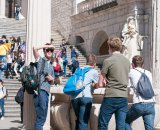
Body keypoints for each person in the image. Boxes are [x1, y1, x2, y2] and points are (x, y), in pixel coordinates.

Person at [98, 37, 130, 130]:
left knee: (103, 124)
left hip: (111, 96)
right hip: (123, 96)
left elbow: (100, 83)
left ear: (110, 47)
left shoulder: (108, 60)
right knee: (121, 126)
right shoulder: (127, 61)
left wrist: (104, 81)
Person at [125, 55, 156, 130]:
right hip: (151, 103)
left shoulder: (131, 72)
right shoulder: (148, 73)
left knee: (124, 121)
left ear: (132, 64)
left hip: (139, 103)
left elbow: (127, 85)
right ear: (143, 64)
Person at [71, 54, 99, 130]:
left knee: (79, 121)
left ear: (86, 61)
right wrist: (92, 85)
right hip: (85, 97)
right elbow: (97, 86)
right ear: (94, 64)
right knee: (83, 122)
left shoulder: (78, 69)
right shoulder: (94, 71)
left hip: (74, 97)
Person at [33, 43, 55, 130]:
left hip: (46, 92)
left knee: (43, 116)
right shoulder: (40, 60)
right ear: (44, 51)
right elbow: (34, 48)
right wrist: (45, 46)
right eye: (48, 50)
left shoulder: (51, 65)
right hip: (40, 90)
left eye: (51, 50)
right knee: (41, 116)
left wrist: (51, 79)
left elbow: (52, 82)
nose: (50, 51)